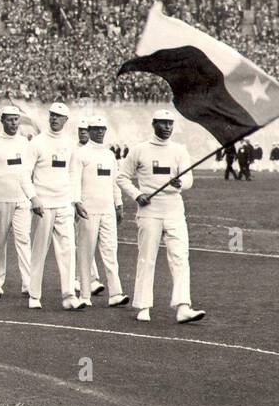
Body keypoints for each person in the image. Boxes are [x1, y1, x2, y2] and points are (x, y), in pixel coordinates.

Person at [116, 109, 206, 325]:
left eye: (170, 124)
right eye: (163, 123)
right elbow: (122, 177)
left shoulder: (179, 151)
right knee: (147, 258)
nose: (167, 127)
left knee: (180, 258)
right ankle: (143, 306)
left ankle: (183, 306)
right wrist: (138, 195)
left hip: (174, 211)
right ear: (154, 124)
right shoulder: (139, 150)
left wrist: (180, 183)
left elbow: (189, 179)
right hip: (150, 212)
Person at [26, 102, 82, 311]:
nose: (54, 119)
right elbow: (24, 173)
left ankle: (68, 295)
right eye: (52, 115)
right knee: (39, 250)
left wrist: (75, 201)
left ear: (66, 121)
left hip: (64, 204)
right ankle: (34, 294)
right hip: (43, 204)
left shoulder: (70, 143)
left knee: (68, 249)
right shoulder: (37, 143)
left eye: (59, 116)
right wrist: (33, 199)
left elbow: (74, 174)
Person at [75, 115, 127, 308]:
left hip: (107, 210)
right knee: (86, 251)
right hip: (88, 209)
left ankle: (115, 293)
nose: (99, 132)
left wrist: (119, 204)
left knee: (110, 251)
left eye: (102, 129)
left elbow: (114, 182)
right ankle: (85, 295)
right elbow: (74, 180)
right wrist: (76, 202)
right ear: (88, 131)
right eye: (95, 129)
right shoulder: (81, 154)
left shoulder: (109, 155)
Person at [0, 105, 37, 297]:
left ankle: (28, 282)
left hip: (22, 199)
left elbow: (29, 172)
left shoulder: (25, 143)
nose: (14, 123)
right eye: (9, 119)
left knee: (23, 239)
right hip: (0, 199)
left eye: (16, 119)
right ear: (2, 120)